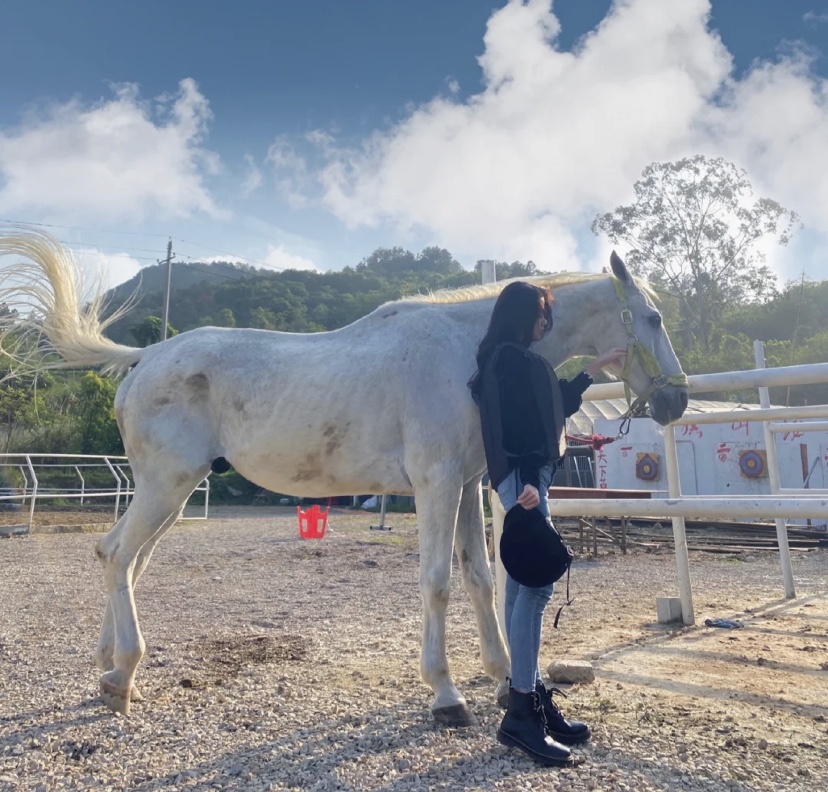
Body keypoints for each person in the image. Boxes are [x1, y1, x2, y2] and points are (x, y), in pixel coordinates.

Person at [469, 281, 626, 767]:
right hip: (525, 480)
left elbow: (550, 404)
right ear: (522, 315)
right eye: (540, 314)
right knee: (535, 586)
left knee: (520, 585)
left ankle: (530, 697)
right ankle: (520, 711)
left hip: (520, 478)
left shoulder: (503, 359)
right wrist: (524, 487)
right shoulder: (512, 362)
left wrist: (593, 370)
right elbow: (518, 425)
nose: (545, 323)